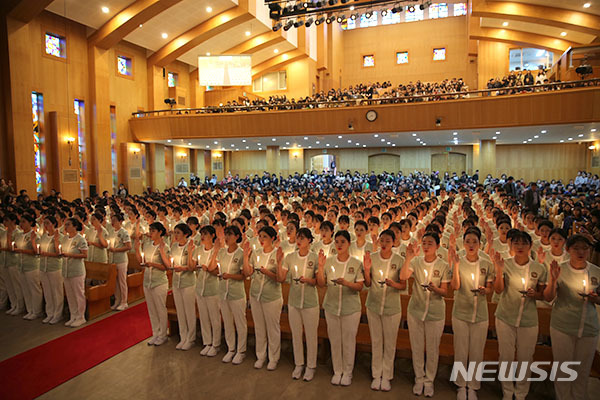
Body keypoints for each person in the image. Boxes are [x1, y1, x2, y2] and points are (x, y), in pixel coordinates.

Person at [492, 230, 547, 400]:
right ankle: (507, 391)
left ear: (530, 246)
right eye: (516, 243)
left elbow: (543, 294)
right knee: (506, 355)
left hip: (528, 319)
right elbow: (499, 290)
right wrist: (499, 272)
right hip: (505, 316)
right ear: (511, 245)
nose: (520, 247)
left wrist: (534, 295)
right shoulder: (505, 263)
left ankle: (521, 392)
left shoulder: (538, 268)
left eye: (524, 243)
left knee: (525, 357)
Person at [544, 235, 600, 400]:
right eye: (576, 248)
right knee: (564, 369)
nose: (581, 252)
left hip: (589, 327)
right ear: (568, 250)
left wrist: (595, 299)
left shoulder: (596, 272)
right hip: (563, 326)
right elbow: (548, 297)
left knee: (582, 371)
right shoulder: (559, 269)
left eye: (585, 248)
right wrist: (553, 280)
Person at [400, 232, 450, 397]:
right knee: (417, 347)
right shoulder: (416, 261)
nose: (426, 246)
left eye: (430, 243)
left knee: (432, 348)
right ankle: (419, 378)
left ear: (437, 246)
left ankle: (429, 381)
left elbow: (445, 291)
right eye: (424, 243)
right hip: (416, 310)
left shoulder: (443, 265)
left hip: (435, 313)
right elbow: (403, 276)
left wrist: (436, 289)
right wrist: (408, 257)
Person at [449, 227, 494, 400]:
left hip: (480, 313)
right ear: (463, 243)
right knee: (460, 349)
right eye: (467, 241)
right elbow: (455, 286)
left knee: (476, 350)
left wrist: (485, 290)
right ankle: (461, 384)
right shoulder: (458, 260)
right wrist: (457, 266)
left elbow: (490, 287)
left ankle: (473, 385)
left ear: (480, 244)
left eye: (474, 241)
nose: (471, 245)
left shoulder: (486, 262)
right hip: (461, 311)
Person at [317, 230, 364, 387]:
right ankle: (338, 370)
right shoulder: (329, 262)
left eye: (342, 242)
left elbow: (359, 286)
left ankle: (348, 372)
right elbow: (322, 283)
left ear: (349, 244)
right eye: (337, 242)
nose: (339, 245)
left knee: (348, 341)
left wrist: (346, 283)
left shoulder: (356, 263)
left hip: (350, 308)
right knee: (335, 340)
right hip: (331, 305)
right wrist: (321, 266)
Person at [363, 229, 406, 392]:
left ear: (394, 242)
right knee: (376, 341)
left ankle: (387, 376)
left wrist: (393, 284)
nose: (384, 244)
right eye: (382, 240)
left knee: (389, 343)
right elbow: (367, 283)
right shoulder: (372, 258)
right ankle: (376, 374)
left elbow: (403, 285)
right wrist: (367, 270)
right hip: (373, 304)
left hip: (391, 307)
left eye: (388, 241)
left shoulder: (399, 260)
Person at [278, 227, 319, 381]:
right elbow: (281, 278)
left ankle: (311, 366)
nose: (299, 240)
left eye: (303, 238)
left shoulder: (315, 258)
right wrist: (278, 261)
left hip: (310, 302)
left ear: (309, 240)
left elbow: (319, 282)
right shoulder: (290, 257)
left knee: (310, 335)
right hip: (294, 301)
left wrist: (309, 280)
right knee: (296, 334)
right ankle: (299, 363)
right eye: (298, 237)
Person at [243, 226, 284, 371]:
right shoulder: (256, 253)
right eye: (260, 236)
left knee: (272, 328)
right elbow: (248, 273)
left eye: (265, 237)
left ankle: (273, 357)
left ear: (272, 238)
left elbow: (280, 279)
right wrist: (245, 257)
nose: (261, 240)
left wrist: (268, 272)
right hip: (256, 294)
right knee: (259, 327)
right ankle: (261, 356)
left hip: (271, 296)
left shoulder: (277, 254)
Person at [134, 222, 170, 345]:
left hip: (159, 281)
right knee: (152, 309)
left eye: (153, 231)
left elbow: (166, 267)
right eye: (150, 230)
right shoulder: (148, 245)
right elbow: (141, 262)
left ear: (160, 232)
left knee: (160, 309)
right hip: (147, 281)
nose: (150, 233)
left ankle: (163, 335)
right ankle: (155, 333)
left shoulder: (164, 247)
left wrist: (153, 264)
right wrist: (137, 249)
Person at [215, 225, 247, 365]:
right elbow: (217, 269)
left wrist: (230, 276)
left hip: (236, 293)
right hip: (223, 291)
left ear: (237, 237)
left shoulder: (241, 253)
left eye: (230, 235)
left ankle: (241, 350)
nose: (227, 237)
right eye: (225, 234)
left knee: (240, 323)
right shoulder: (221, 252)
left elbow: (243, 276)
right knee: (227, 322)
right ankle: (231, 348)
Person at [192, 225, 221, 357]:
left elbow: (215, 270)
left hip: (213, 288)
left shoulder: (219, 251)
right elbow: (192, 266)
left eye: (206, 234)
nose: (202, 237)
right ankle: (207, 342)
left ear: (212, 236)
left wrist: (215, 251)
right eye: (201, 234)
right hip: (200, 287)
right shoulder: (198, 250)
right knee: (203, 317)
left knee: (214, 318)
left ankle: (216, 344)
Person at [170, 223, 196, 350]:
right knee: (180, 311)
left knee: (189, 311)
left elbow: (193, 267)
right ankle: (183, 336)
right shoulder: (174, 246)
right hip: (176, 282)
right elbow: (171, 261)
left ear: (185, 234)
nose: (175, 235)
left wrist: (183, 268)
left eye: (178, 233)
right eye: (174, 232)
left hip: (188, 282)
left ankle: (191, 338)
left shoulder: (191, 246)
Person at [14, 214, 42, 320]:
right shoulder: (19, 235)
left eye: (24, 221)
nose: (21, 224)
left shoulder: (34, 235)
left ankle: (37, 311)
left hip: (32, 265)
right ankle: (30, 310)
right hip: (21, 264)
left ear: (30, 223)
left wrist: (21, 250)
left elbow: (36, 252)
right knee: (25, 288)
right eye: (20, 222)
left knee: (34, 289)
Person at [62, 217, 89, 327]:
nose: (66, 227)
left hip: (77, 270)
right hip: (66, 270)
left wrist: (70, 255)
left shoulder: (80, 239)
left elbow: (85, 255)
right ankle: (73, 315)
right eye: (66, 225)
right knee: (70, 294)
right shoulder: (65, 239)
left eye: (68, 224)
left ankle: (81, 316)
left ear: (74, 226)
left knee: (78, 294)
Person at [39, 216, 64, 324]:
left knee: (56, 291)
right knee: (47, 292)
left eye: (48, 223)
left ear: (54, 224)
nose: (46, 226)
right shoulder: (44, 236)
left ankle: (57, 314)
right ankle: (49, 313)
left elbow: (59, 253)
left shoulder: (60, 236)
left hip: (55, 267)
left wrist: (56, 240)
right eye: (44, 223)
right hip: (43, 266)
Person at [108, 214, 132, 311]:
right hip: (113, 260)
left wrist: (116, 250)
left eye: (115, 220)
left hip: (121, 259)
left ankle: (124, 302)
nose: (113, 223)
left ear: (120, 221)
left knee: (122, 281)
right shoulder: (112, 232)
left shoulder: (124, 232)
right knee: (115, 282)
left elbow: (129, 246)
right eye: (112, 220)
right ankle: (117, 300)